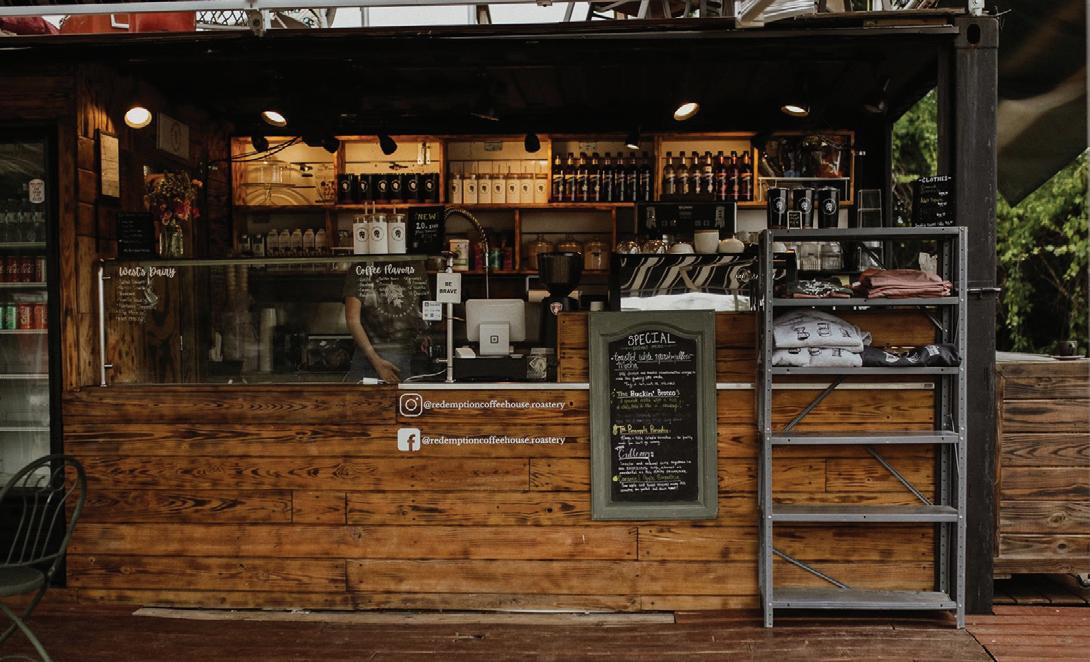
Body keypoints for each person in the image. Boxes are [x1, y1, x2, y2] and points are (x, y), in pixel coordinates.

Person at [343, 260, 430, 383]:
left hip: (406, 356)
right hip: (370, 358)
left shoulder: (416, 266)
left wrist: (425, 336)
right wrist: (377, 362)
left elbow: (427, 311)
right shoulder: (362, 267)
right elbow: (352, 320)